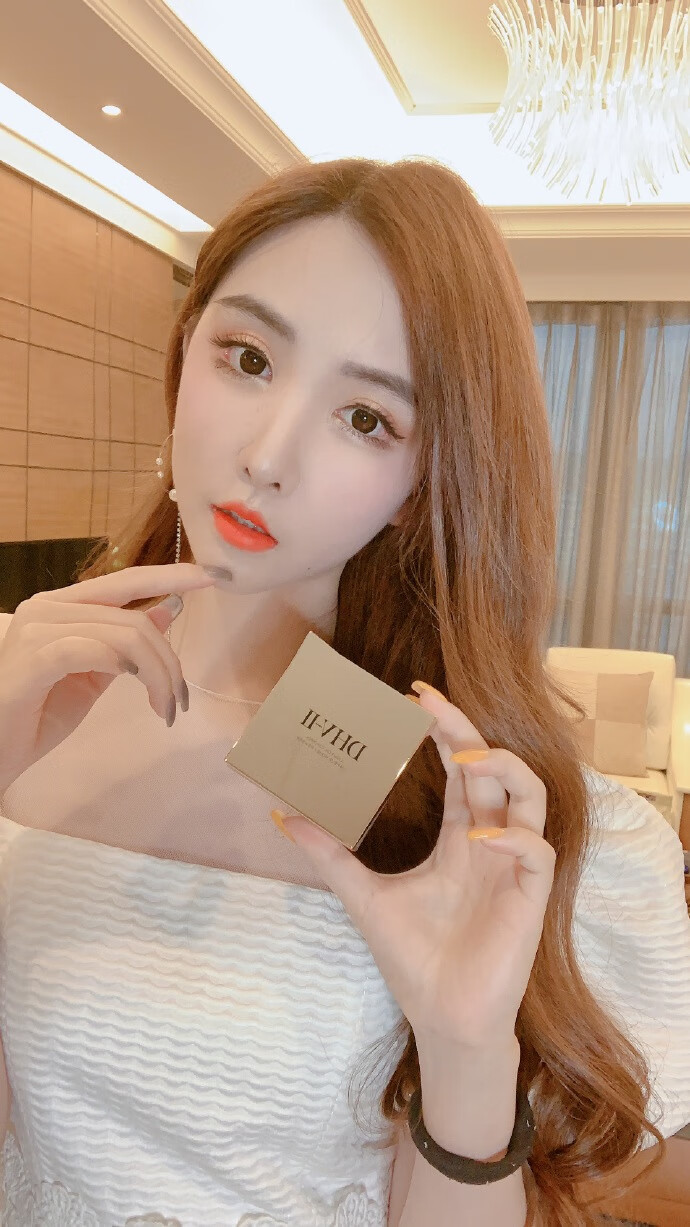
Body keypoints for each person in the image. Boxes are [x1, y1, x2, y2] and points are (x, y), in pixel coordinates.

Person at [0, 157, 688, 1227]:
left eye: (367, 418)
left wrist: (467, 1047)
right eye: (248, 358)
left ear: (422, 484)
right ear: (182, 357)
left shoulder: (490, 822)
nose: (268, 456)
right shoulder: (27, 698)